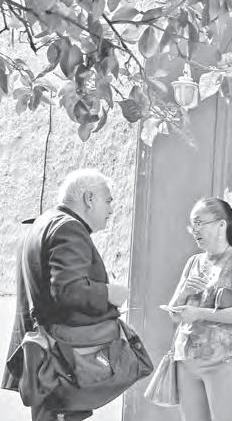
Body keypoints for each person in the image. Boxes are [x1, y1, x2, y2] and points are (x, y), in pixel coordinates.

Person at [1, 169, 131, 420]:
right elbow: (68, 291)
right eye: (108, 201)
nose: (111, 210)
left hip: (45, 357)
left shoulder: (41, 224)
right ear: (89, 198)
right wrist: (108, 293)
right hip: (62, 359)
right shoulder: (68, 228)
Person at [165, 198, 232, 421]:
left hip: (224, 360)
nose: (194, 230)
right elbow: (174, 314)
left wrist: (200, 313)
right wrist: (185, 291)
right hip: (187, 360)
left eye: (199, 223)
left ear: (221, 225)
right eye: (192, 225)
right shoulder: (193, 262)